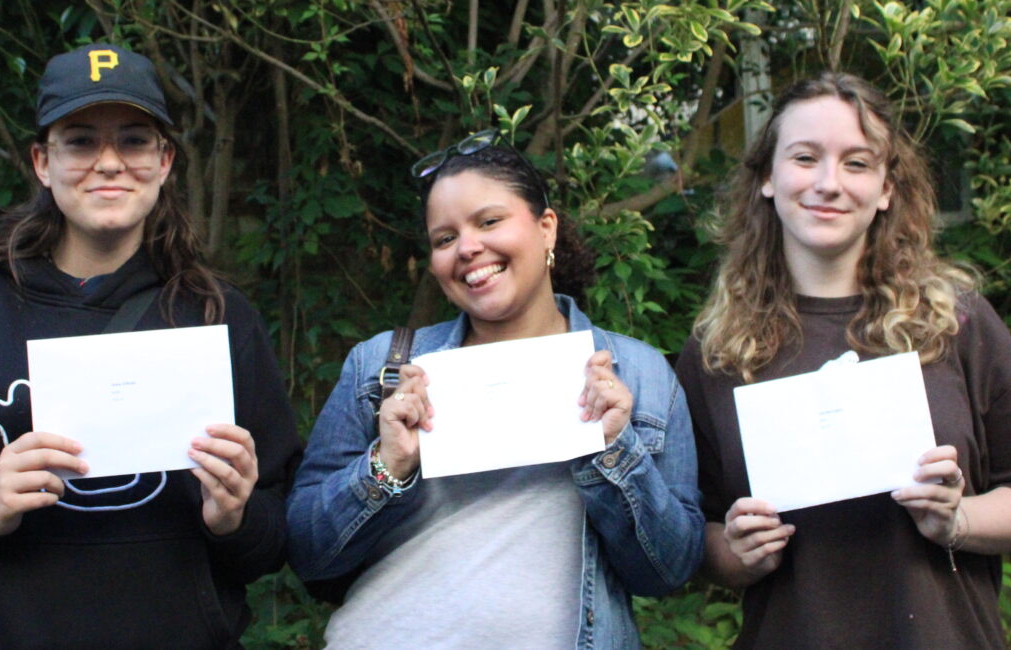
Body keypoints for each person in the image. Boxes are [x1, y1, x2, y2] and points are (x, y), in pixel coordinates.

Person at [0, 43, 301, 648]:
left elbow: (279, 530)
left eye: (133, 139)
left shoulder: (220, 319)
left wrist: (236, 518)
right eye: (80, 141)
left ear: (165, 159)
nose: (109, 163)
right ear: (42, 161)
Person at [674, 71, 1011, 648]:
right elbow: (694, 535)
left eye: (857, 163)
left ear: (887, 187)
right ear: (767, 177)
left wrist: (956, 520)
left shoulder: (955, 323)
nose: (829, 183)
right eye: (805, 157)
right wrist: (735, 554)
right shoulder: (718, 349)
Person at [286, 131, 703, 648]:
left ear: (546, 228)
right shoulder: (383, 369)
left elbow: (668, 571)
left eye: (489, 221)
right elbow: (308, 555)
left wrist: (615, 449)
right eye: (444, 238)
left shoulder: (638, 374)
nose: (467, 248)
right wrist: (386, 466)